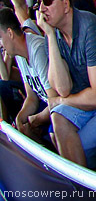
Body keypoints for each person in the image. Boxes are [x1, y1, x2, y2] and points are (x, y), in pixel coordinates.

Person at [38, 0, 96, 169]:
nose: (41, 9)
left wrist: (61, 101)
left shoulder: (89, 28)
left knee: (75, 150)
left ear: (66, 4)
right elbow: (62, 88)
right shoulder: (54, 33)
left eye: (47, 2)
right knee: (57, 117)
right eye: (39, 3)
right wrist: (50, 36)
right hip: (83, 106)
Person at [0, 8, 50, 139]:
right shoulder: (19, 55)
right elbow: (31, 97)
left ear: (10, 33)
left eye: (0, 38)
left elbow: (55, 99)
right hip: (44, 105)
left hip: (56, 107)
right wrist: (19, 119)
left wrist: (35, 120)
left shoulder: (37, 49)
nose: (1, 44)